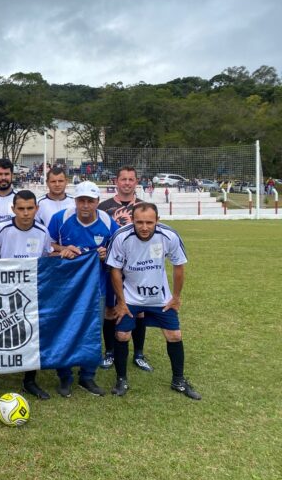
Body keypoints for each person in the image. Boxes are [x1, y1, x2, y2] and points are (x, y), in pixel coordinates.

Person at [107, 202, 201, 400]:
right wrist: (121, 302)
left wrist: (175, 298)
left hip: (160, 298)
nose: (144, 227)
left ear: (157, 220)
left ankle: (178, 380)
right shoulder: (121, 237)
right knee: (122, 335)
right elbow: (114, 270)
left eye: (149, 222)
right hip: (130, 297)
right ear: (132, 220)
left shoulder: (169, 236)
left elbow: (179, 266)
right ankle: (121, 379)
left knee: (174, 335)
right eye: (139, 222)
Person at [0, 190, 53, 400]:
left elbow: (47, 255)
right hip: (2, 290)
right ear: (13, 209)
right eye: (21, 208)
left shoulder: (42, 231)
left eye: (30, 208)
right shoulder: (1, 228)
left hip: (30, 292)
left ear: (36, 209)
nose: (26, 213)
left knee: (30, 334)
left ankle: (30, 380)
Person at [47, 181, 118, 398]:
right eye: (81, 200)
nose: (85, 205)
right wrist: (62, 249)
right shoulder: (61, 219)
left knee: (92, 331)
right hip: (65, 287)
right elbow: (47, 246)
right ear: (75, 201)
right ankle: (65, 375)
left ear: (97, 202)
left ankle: (88, 375)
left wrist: (108, 255)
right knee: (65, 328)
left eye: (90, 201)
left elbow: (118, 252)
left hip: (96, 286)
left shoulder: (107, 222)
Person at [98, 166, 152, 373]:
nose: (127, 183)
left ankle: (139, 353)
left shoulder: (145, 207)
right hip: (112, 267)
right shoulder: (104, 208)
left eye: (131, 179)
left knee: (139, 312)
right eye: (123, 179)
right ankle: (110, 352)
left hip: (138, 269)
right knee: (111, 311)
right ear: (116, 181)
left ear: (136, 182)